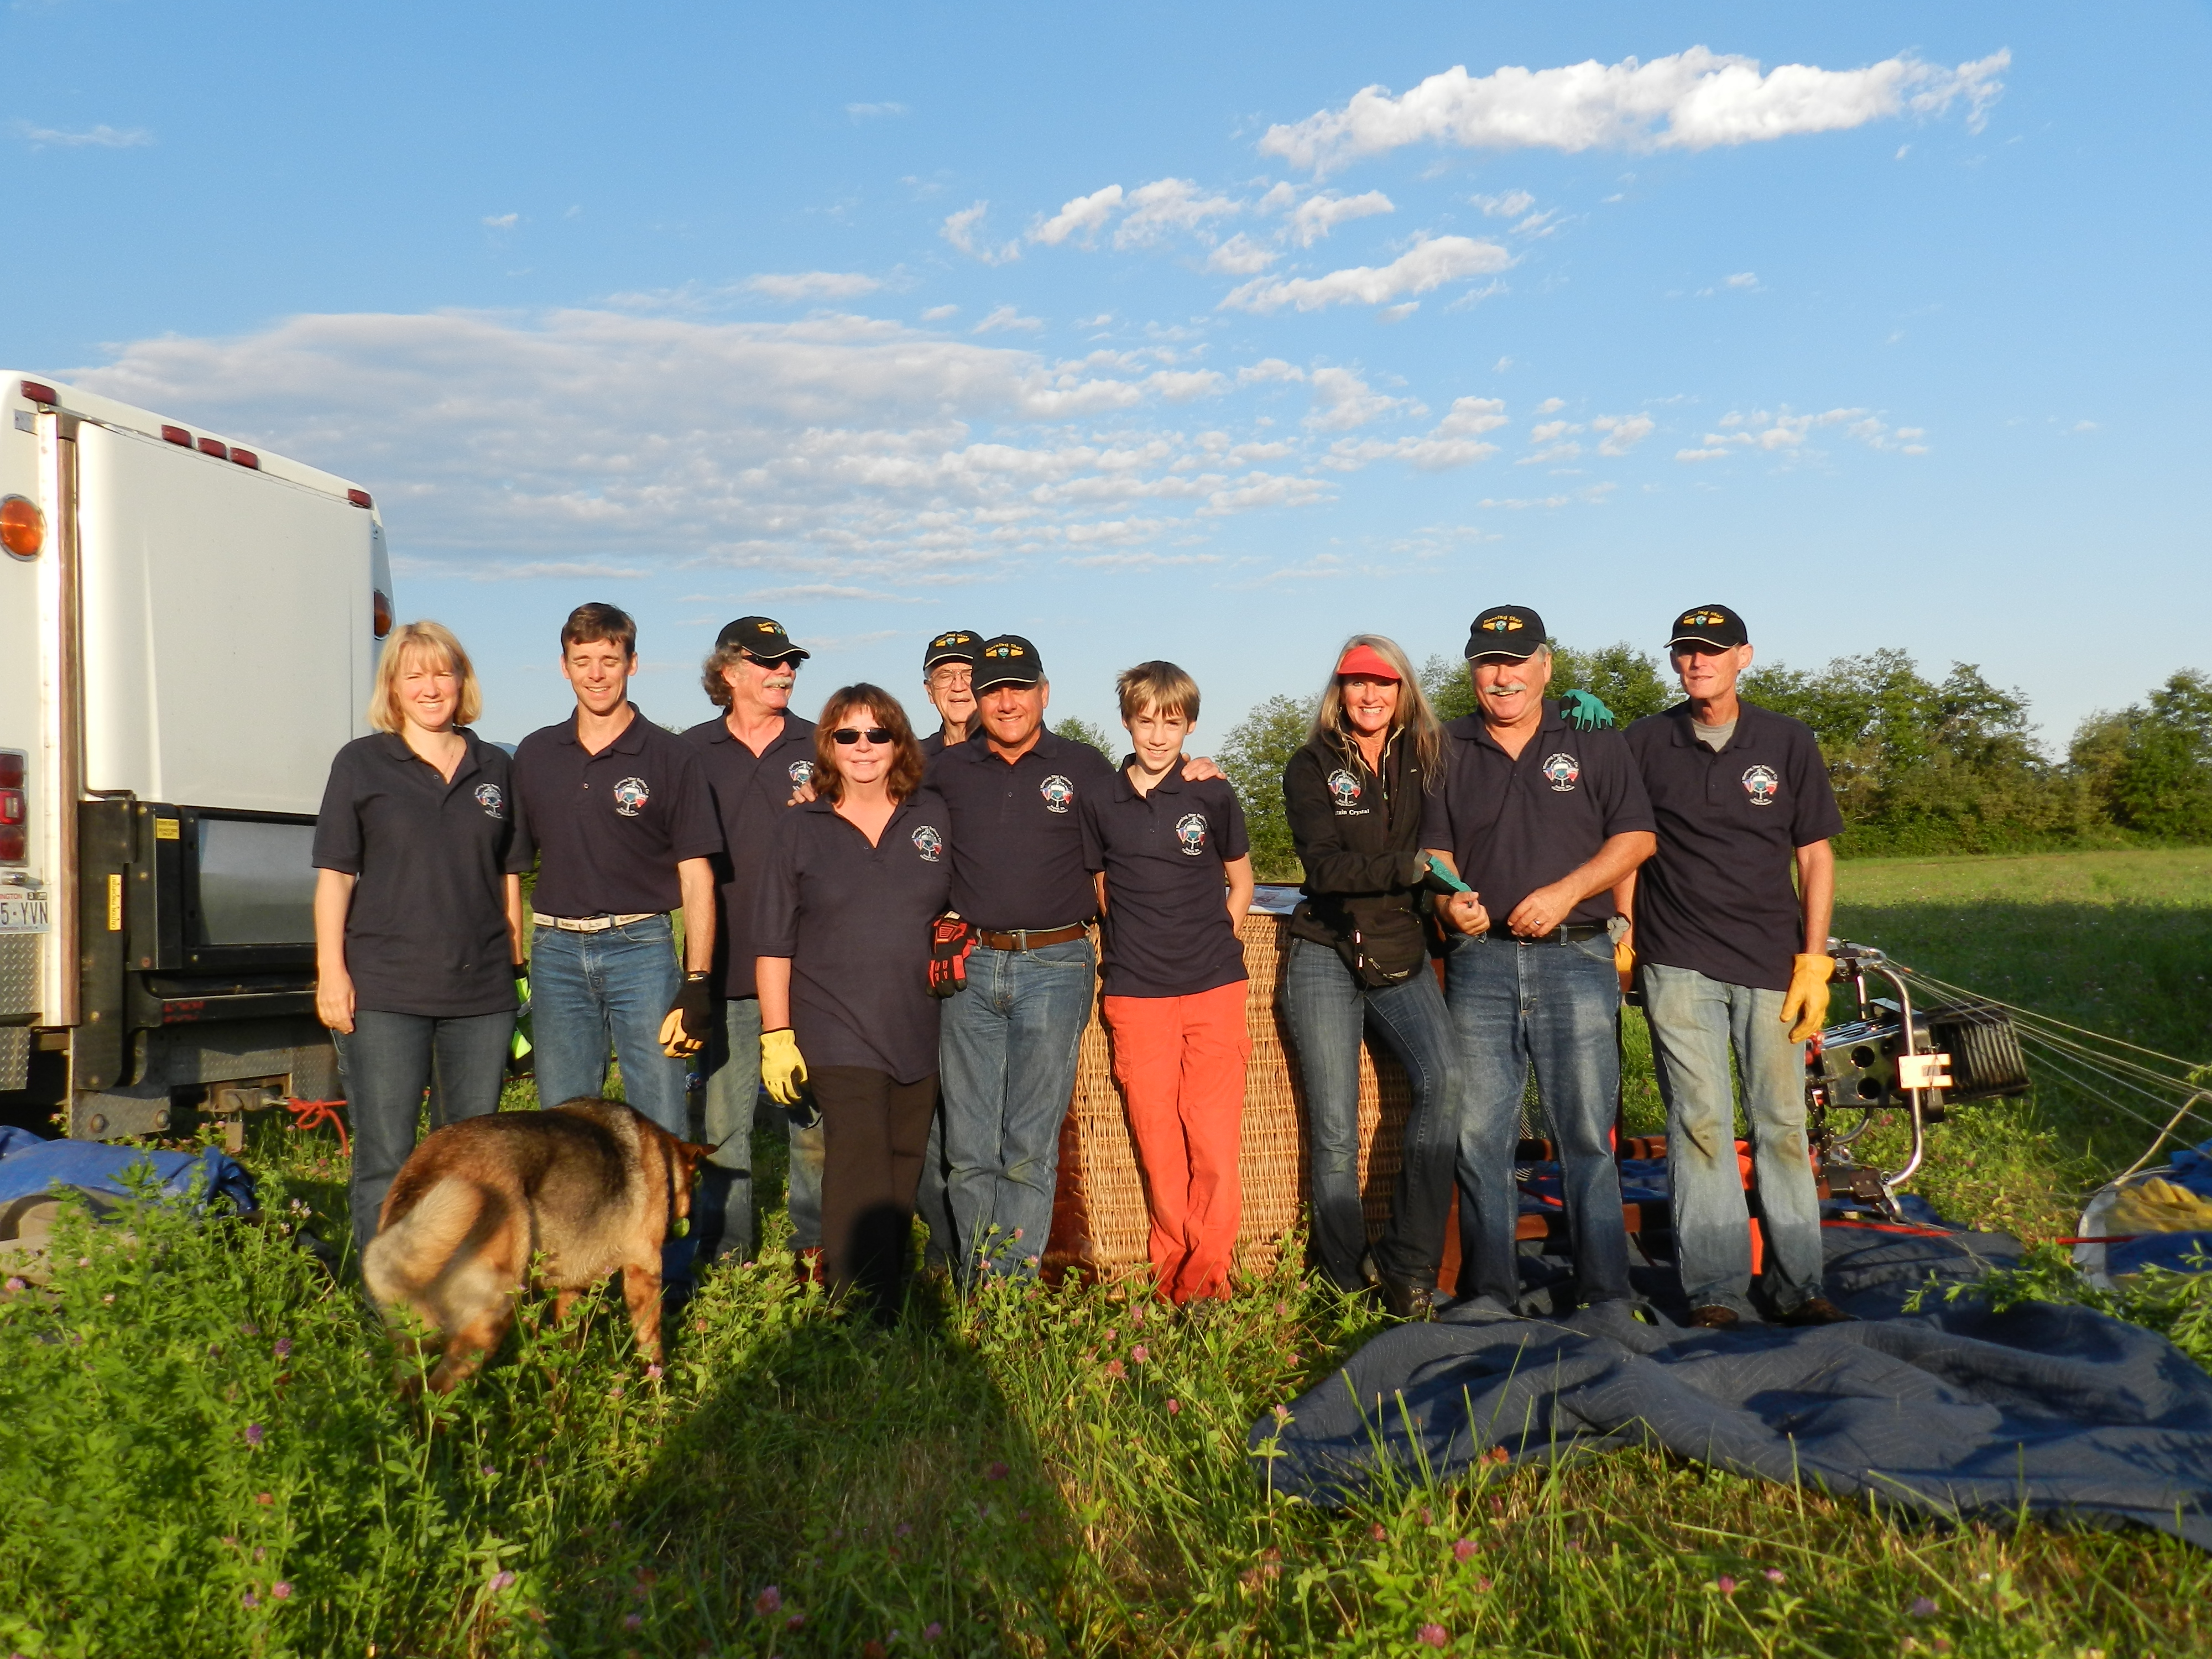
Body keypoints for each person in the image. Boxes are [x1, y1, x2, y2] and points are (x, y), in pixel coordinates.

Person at [1422, 606, 1657, 1314]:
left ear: (1545, 666)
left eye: (1517, 661)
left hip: (1575, 958)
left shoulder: (1591, 737)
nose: (1503, 676)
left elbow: (1637, 837)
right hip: (1480, 964)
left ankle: (1604, 1291)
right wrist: (1448, 902)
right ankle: (1492, 1290)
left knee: (1584, 1133)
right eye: (1489, 663)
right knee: (1481, 1136)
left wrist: (1568, 891)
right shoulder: (1444, 747)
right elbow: (1435, 851)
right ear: (1472, 672)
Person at [1621, 603, 1850, 1328]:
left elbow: (1815, 855)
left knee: (1782, 1124)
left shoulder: (1787, 742)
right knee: (1700, 1124)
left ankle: (1799, 1286)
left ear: (1744, 657)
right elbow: (1630, 844)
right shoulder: (1644, 743)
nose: (1698, 662)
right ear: (1675, 662)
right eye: (1686, 651)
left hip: (1771, 964)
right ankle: (1716, 1291)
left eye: (1712, 651)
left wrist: (1814, 958)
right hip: (1678, 961)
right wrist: (1626, 936)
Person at [312, 621, 528, 1251]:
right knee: (388, 1156)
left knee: (470, 1158)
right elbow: (335, 878)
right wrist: (332, 971)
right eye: (415, 675)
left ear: (462, 681)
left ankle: (454, 1290)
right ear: (395, 688)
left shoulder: (497, 766)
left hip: (481, 997)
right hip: (385, 990)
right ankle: (386, 1311)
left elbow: (509, 877)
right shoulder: (361, 763)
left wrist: (515, 968)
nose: (431, 687)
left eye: (442, 672)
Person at [1279, 634, 1463, 1318]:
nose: (1369, 695)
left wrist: (1568, 708)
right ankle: (1342, 1286)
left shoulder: (1428, 758)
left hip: (1398, 948)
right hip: (1324, 948)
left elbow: (1505, 716)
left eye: (1383, 684)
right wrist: (1410, 867)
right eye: (1356, 682)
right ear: (1339, 690)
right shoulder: (1309, 766)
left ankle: (1405, 1263)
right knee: (1335, 1127)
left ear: (1402, 691)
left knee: (1445, 1082)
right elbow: (1322, 869)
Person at [753, 685, 952, 1317]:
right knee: (859, 1159)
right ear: (828, 746)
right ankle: (854, 1303)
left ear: (899, 743)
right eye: (847, 736)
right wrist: (776, 1033)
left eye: (876, 735)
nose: (863, 748)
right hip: (833, 1023)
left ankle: (884, 1293)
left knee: (902, 1163)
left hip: (916, 1022)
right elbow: (773, 942)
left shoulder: (933, 817)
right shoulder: (799, 826)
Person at [925, 633, 1117, 1282]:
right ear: (975, 699)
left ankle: (1007, 1292)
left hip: (1057, 962)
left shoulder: (1085, 766)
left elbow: (1124, 845)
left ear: (1043, 692)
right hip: (973, 962)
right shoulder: (946, 771)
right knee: (968, 1146)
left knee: (1027, 1146)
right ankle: (976, 1290)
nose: (1005, 702)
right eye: (991, 690)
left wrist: (1192, 773)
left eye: (1018, 687)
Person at [512, 603, 722, 1137]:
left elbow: (698, 875)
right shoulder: (536, 754)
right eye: (583, 660)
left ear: (633, 663)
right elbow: (509, 868)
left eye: (609, 659)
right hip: (556, 953)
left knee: (660, 1117)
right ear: (564, 666)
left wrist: (697, 980)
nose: (596, 674)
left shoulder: (671, 756)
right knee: (564, 1125)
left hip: (641, 950)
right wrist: (512, 965)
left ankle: (667, 1223)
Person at [1081, 661, 1255, 1306]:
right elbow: (1101, 889)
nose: (1158, 736)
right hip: (1135, 993)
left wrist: (1221, 939)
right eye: (1147, 720)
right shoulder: (1100, 799)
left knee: (1210, 1137)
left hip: (1213, 988)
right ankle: (1169, 1272)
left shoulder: (1210, 793)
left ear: (1189, 725)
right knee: (1157, 1140)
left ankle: (1208, 1281)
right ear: (1127, 720)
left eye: (1172, 722)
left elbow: (1240, 881)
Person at [682, 615, 825, 1271]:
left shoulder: (821, 745)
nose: (785, 673)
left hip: (810, 965)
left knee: (812, 1121)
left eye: (790, 662)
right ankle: (728, 1251)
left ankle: (814, 1248)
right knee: (724, 1123)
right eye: (769, 663)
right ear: (728, 673)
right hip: (730, 962)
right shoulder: (691, 752)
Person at [919, 629, 982, 757]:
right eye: (945, 676)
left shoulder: (1011, 753)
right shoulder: (913, 761)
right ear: (930, 691)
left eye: (969, 674)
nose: (958, 687)